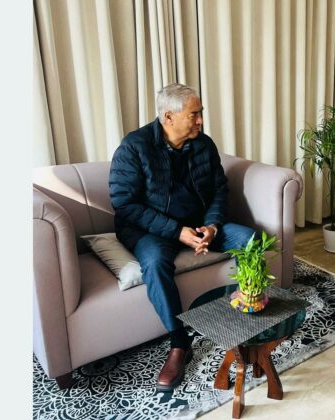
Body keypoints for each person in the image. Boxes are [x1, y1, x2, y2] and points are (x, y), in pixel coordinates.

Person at [109, 83, 255, 391]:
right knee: (154, 262)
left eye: (201, 113)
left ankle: (247, 313)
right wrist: (177, 232)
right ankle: (179, 343)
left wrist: (212, 226)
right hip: (150, 230)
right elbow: (124, 203)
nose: (201, 120)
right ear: (168, 117)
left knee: (251, 240)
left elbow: (219, 189)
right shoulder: (134, 147)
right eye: (194, 114)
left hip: (199, 225)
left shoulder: (203, 144)